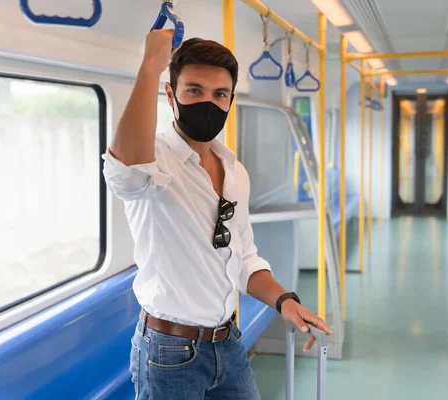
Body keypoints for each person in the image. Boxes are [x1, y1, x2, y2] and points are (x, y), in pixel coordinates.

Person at [102, 29, 332, 400]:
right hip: (168, 353)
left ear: (230, 100)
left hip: (227, 344)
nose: (208, 103)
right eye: (194, 90)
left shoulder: (234, 170)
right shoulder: (154, 160)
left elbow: (243, 256)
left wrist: (284, 301)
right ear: (171, 94)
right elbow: (124, 175)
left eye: (219, 94)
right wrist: (150, 67)